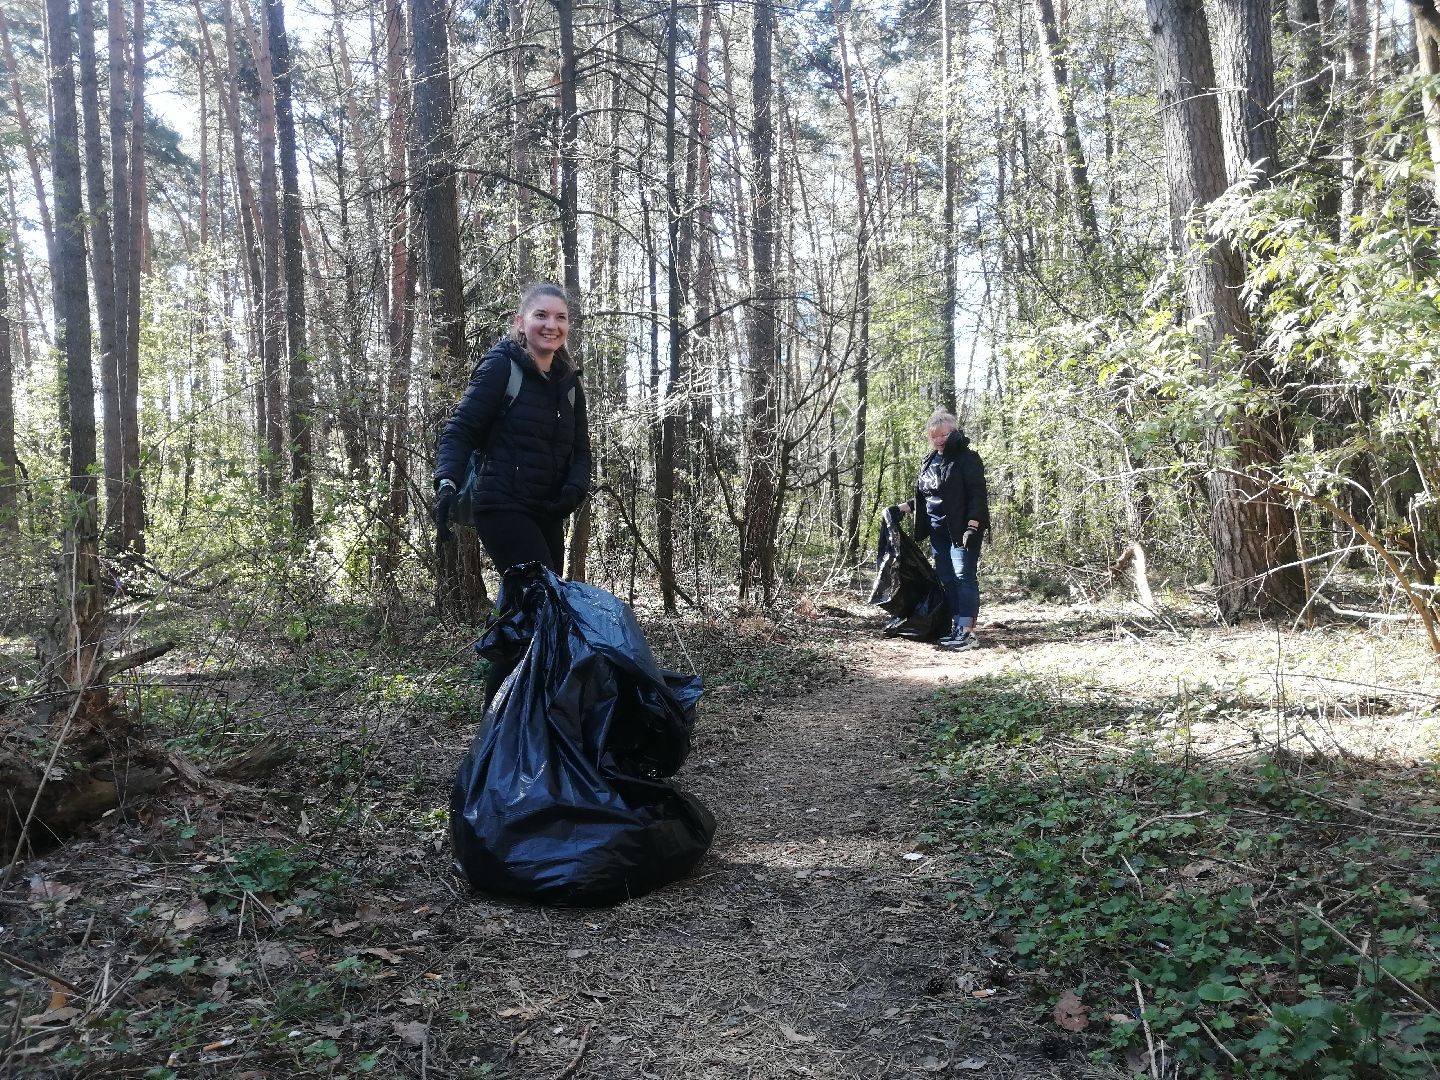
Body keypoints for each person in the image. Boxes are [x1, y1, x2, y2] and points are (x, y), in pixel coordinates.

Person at [432, 283, 591, 575]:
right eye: (540, 315)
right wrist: (446, 483)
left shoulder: (568, 383)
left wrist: (574, 490)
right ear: (521, 322)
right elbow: (461, 429)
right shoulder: (502, 367)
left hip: (548, 510)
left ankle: (502, 623)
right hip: (502, 504)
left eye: (560, 317)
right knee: (540, 598)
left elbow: (581, 450)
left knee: (543, 610)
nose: (551, 325)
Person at [896, 410, 989, 650]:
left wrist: (973, 526)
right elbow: (928, 496)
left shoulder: (967, 459)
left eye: (944, 435)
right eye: (934, 436)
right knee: (948, 579)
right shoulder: (929, 462)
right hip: (938, 532)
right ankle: (956, 628)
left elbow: (977, 496)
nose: (939, 440)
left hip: (962, 531)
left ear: (954, 433)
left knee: (963, 577)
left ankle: (968, 632)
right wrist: (901, 508)